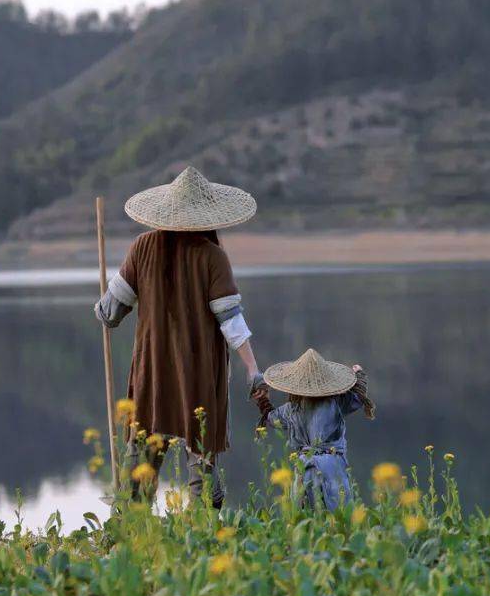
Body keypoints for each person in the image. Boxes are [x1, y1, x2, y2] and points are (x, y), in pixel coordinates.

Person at [94, 166, 263, 509]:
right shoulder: (212, 256)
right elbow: (231, 322)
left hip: (152, 371)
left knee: (142, 448)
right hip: (198, 373)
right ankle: (201, 531)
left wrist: (102, 307)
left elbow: (110, 313)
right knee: (201, 450)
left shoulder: (142, 247)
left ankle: (128, 524)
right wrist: (253, 370)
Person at [253, 348, 375, 510]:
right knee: (338, 519)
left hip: (304, 469)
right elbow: (358, 397)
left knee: (306, 521)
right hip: (331, 467)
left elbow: (270, 417)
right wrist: (359, 375)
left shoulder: (291, 408)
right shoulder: (336, 402)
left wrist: (263, 400)